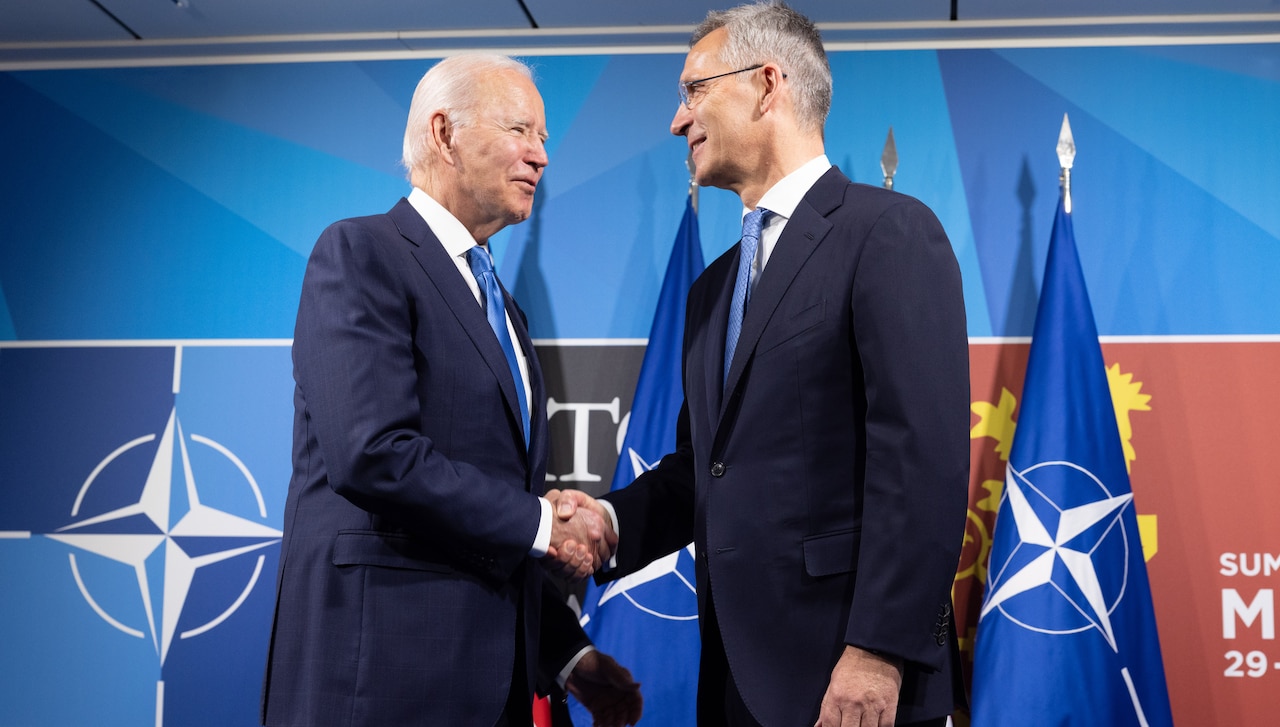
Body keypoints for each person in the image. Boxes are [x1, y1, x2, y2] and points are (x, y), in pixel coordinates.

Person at [555, 3, 969, 725]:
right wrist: (612, 521)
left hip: (858, 680)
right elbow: (703, 470)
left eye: (693, 91)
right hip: (735, 683)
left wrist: (879, 648)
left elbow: (922, 460)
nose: (678, 122)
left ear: (767, 83)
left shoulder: (889, 233)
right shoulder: (712, 289)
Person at [260, 54, 640, 727]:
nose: (541, 156)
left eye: (545, 138)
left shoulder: (506, 311)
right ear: (444, 133)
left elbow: (488, 524)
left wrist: (569, 656)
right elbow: (373, 452)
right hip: (378, 682)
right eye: (521, 130)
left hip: (488, 690)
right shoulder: (361, 254)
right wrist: (547, 525)